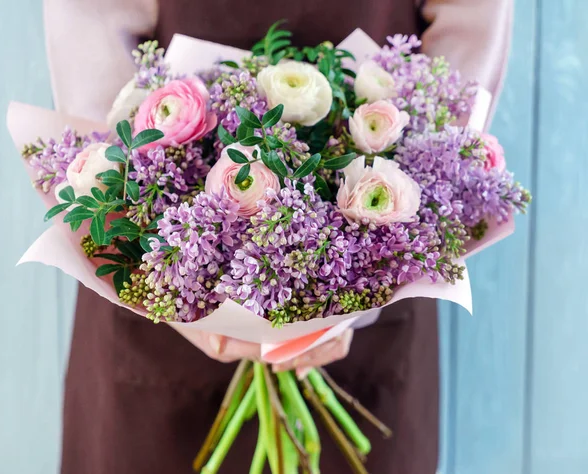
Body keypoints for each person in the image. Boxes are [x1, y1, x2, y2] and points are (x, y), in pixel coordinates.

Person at [44, 1, 512, 472]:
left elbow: (471, 22)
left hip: (372, 275)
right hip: (162, 274)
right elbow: (90, 19)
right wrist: (128, 177)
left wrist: (418, 161)